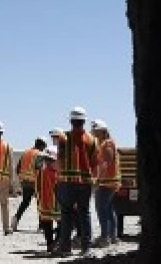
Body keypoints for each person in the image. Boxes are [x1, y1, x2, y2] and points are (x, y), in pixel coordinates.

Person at [54, 106, 99, 257]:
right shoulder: (92, 140)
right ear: (84, 121)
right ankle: (86, 248)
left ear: (71, 121)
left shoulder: (63, 138)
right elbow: (95, 164)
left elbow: (59, 159)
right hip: (85, 183)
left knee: (66, 215)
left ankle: (65, 247)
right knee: (84, 214)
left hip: (66, 182)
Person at [91, 119, 121, 247]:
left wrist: (98, 180)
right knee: (108, 209)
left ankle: (105, 237)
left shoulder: (107, 144)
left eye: (96, 131)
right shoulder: (103, 143)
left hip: (106, 182)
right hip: (109, 182)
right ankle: (112, 236)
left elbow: (105, 163)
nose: (94, 133)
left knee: (102, 209)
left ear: (103, 131)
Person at [12, 136, 48, 231]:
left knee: (25, 202)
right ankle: (41, 225)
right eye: (44, 146)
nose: (44, 148)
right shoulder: (39, 154)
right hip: (35, 182)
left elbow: (18, 168)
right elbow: (39, 169)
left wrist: (21, 179)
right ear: (41, 145)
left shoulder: (26, 153)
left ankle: (15, 219)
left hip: (25, 182)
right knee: (40, 203)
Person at [36, 145, 61, 254]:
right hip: (56, 204)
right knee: (62, 223)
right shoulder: (58, 173)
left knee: (48, 224)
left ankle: (51, 244)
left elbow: (37, 187)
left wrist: (39, 199)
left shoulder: (41, 172)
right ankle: (54, 243)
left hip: (45, 203)